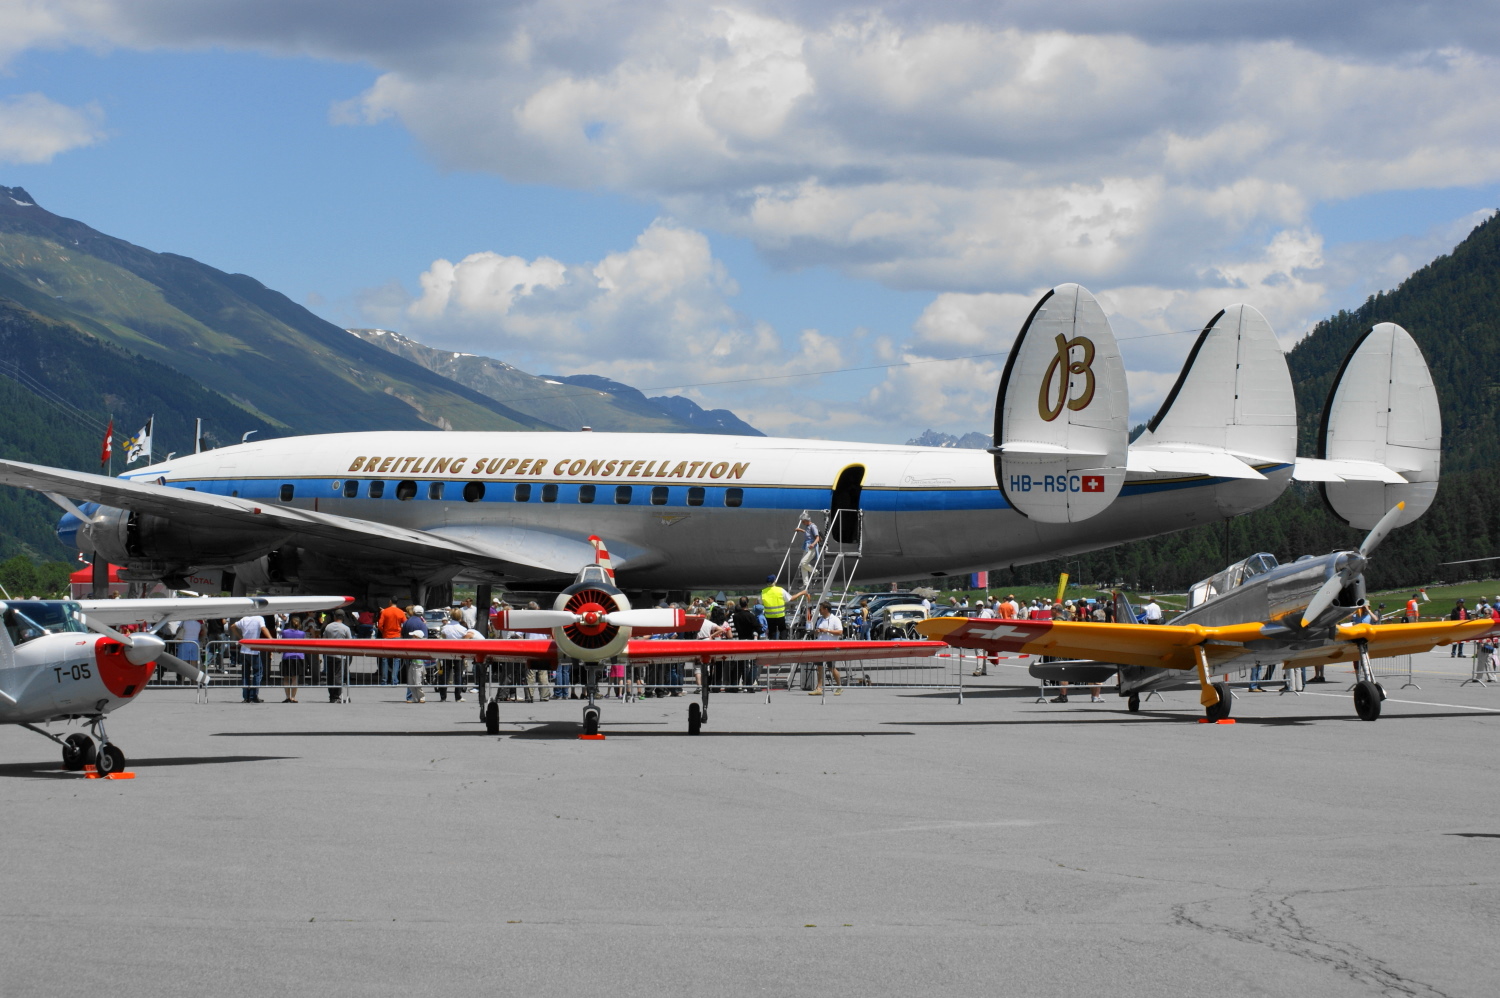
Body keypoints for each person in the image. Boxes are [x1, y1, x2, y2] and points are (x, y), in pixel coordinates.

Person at [809, 601, 843, 695]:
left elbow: (840, 632)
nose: (819, 610)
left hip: (831, 646)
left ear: (826, 609)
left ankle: (839, 686)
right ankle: (819, 688)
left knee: (831, 667)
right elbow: (817, 631)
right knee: (819, 667)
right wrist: (817, 631)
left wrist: (827, 630)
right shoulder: (820, 620)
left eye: (820, 609)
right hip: (820, 646)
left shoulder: (835, 619)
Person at [236, 611, 270, 703]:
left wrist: (240, 637)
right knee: (257, 674)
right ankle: (254, 695)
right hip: (254, 650)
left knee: (245, 675)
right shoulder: (259, 618)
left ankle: (246, 697)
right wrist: (271, 639)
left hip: (244, 650)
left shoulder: (244, 619)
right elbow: (263, 629)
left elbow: (233, 626)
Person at [731, 595, 762, 691]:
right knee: (753, 663)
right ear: (747, 604)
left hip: (741, 640)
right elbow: (758, 628)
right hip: (751, 640)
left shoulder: (735, 617)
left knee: (742, 664)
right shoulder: (751, 616)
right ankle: (749, 684)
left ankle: (737, 684)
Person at [321, 609, 352, 702]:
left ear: (334, 616)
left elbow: (324, 639)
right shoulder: (346, 628)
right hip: (341, 655)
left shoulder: (328, 627)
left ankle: (331, 696)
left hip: (330, 654)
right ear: (343, 617)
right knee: (338, 675)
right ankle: (337, 696)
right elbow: (350, 642)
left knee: (330, 675)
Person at [437, 609, 468, 701]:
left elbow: (443, 638)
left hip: (447, 652)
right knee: (458, 674)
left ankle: (443, 696)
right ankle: (458, 696)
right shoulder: (463, 629)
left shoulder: (445, 627)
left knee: (445, 674)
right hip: (458, 652)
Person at [400, 604, 428, 703]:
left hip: (407, 650)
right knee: (418, 676)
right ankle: (419, 696)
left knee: (410, 676)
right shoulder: (422, 624)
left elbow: (402, 635)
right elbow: (425, 639)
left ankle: (410, 696)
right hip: (419, 653)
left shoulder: (407, 622)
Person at [376, 596, 405, 685]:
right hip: (397, 637)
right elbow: (405, 623)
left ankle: (384, 680)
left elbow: (380, 625)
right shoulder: (401, 612)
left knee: (385, 659)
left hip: (386, 637)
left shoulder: (385, 611)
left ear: (390, 601)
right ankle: (394, 679)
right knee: (396, 659)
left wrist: (383, 632)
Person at [279, 615, 306, 702]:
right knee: (295, 678)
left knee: (286, 678)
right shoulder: (302, 633)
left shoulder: (285, 632)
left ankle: (287, 697)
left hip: (287, 656)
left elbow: (282, 642)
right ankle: (293, 697)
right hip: (298, 656)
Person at [761, 575, 791, 640]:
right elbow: (790, 598)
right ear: (775, 581)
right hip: (780, 616)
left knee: (772, 632)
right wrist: (801, 593)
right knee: (783, 630)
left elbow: (759, 602)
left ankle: (773, 646)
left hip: (769, 617)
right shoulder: (780, 590)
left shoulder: (763, 592)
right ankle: (783, 644)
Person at [796, 516, 821, 586]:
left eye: (803, 521)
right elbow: (808, 534)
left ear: (806, 520)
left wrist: (813, 544)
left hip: (812, 547)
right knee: (802, 565)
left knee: (803, 563)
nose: (802, 523)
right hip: (807, 547)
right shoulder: (807, 526)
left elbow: (817, 538)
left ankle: (815, 572)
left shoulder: (813, 526)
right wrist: (800, 530)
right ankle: (806, 583)